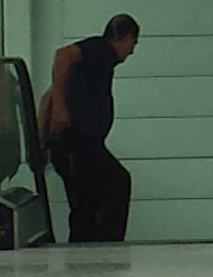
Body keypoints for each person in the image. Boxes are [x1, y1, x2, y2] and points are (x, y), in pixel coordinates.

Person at [43, 13, 141, 243]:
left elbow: (46, 97)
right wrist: (60, 110)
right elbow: (62, 55)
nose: (132, 51)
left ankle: (86, 248)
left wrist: (41, 135)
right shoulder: (102, 50)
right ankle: (108, 245)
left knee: (86, 203)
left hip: (73, 143)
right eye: (133, 43)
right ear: (124, 37)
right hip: (77, 141)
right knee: (117, 182)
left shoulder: (89, 67)